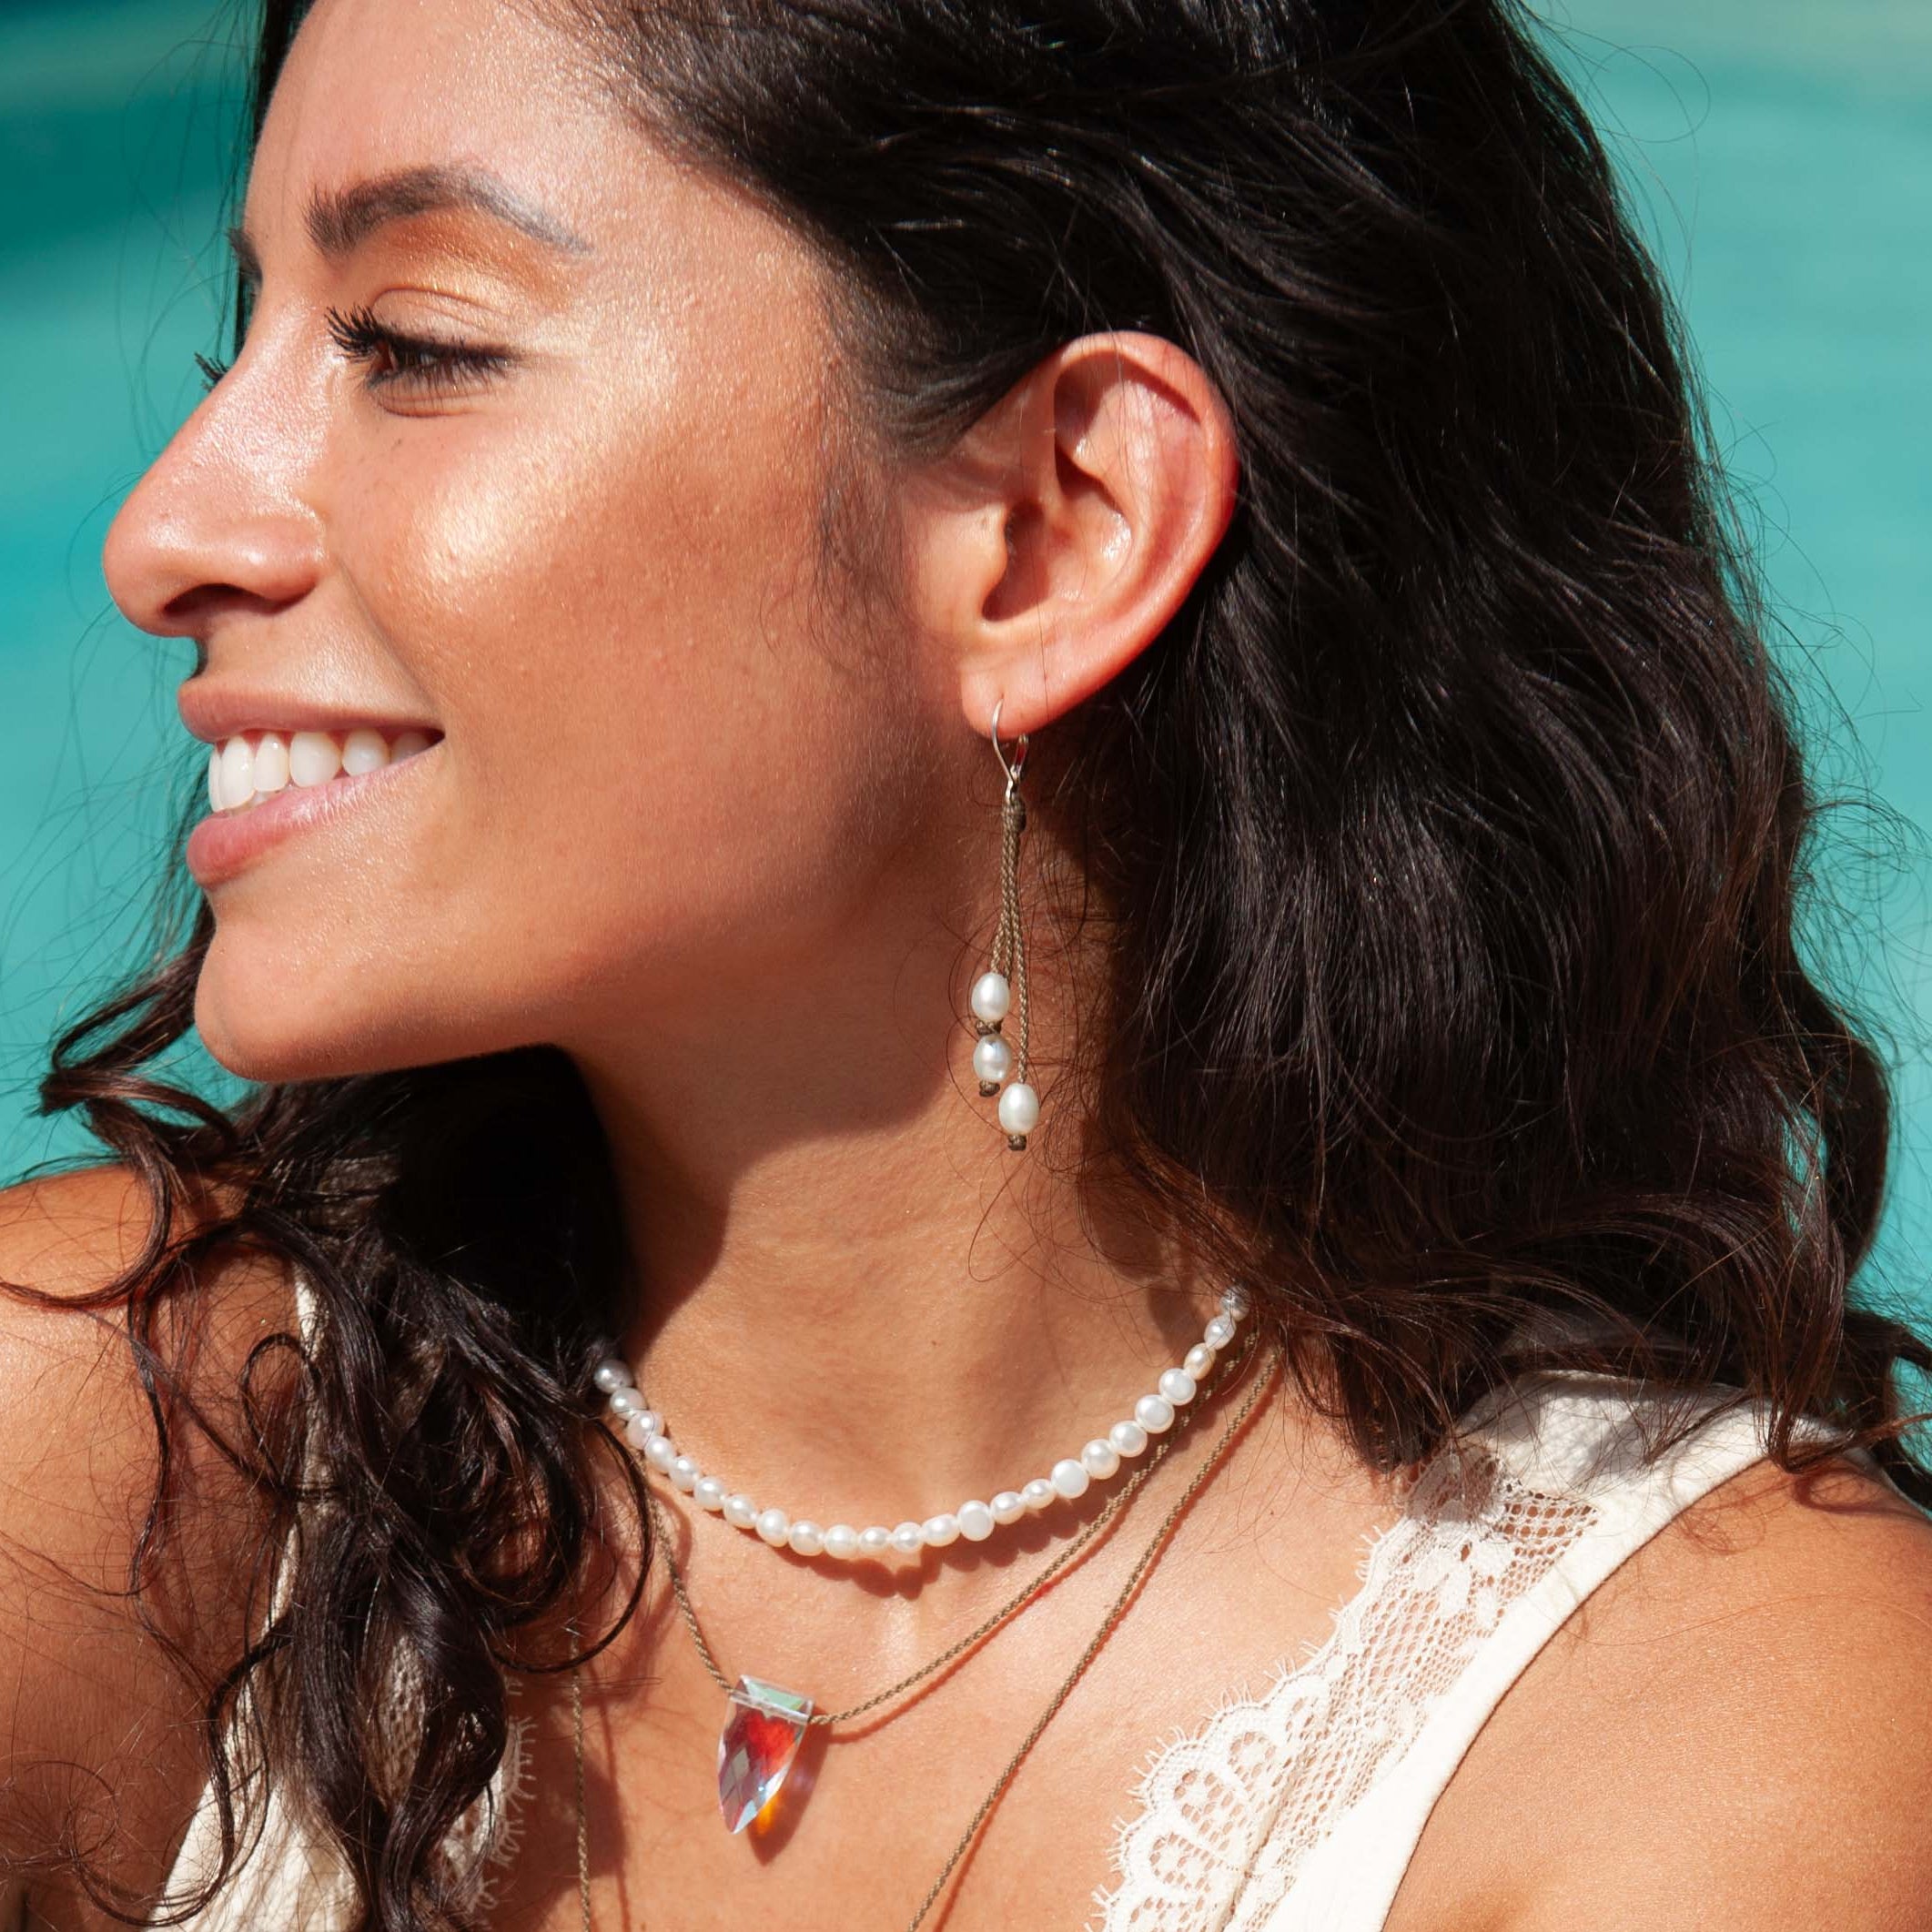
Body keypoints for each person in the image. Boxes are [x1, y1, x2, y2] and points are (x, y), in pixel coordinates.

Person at [3, 0, 1929, 1925]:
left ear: (1052, 531)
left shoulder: (1711, 1739)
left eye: (414, 345)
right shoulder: (128, 1465)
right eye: (236, 334)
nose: (165, 530)